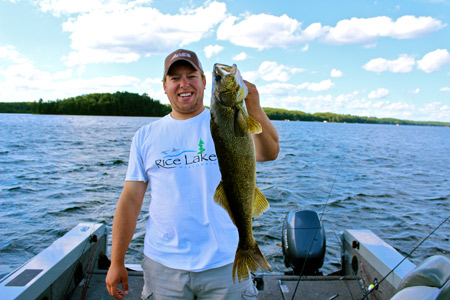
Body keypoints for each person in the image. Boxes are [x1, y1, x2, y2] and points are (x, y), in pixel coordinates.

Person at [105, 49, 279, 300]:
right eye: (175, 78)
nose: (183, 84)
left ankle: (247, 245)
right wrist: (116, 260)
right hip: (163, 266)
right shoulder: (145, 136)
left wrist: (253, 105)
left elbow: (270, 152)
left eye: (191, 76)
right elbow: (131, 199)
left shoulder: (227, 120)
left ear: (205, 82)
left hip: (226, 263)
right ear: (164, 86)